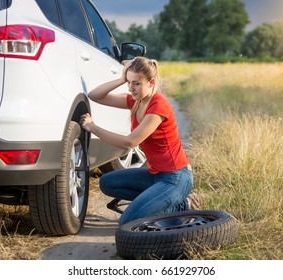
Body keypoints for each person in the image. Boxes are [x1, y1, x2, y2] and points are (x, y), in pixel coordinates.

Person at [79, 57, 200, 226]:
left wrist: (93, 128)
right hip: (155, 176)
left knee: (127, 223)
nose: (130, 88)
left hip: (176, 178)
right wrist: (121, 79)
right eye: (129, 82)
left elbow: (129, 143)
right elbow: (95, 96)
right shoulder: (135, 101)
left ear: (151, 82)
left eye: (136, 83)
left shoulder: (159, 106)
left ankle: (177, 204)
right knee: (107, 183)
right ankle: (181, 204)